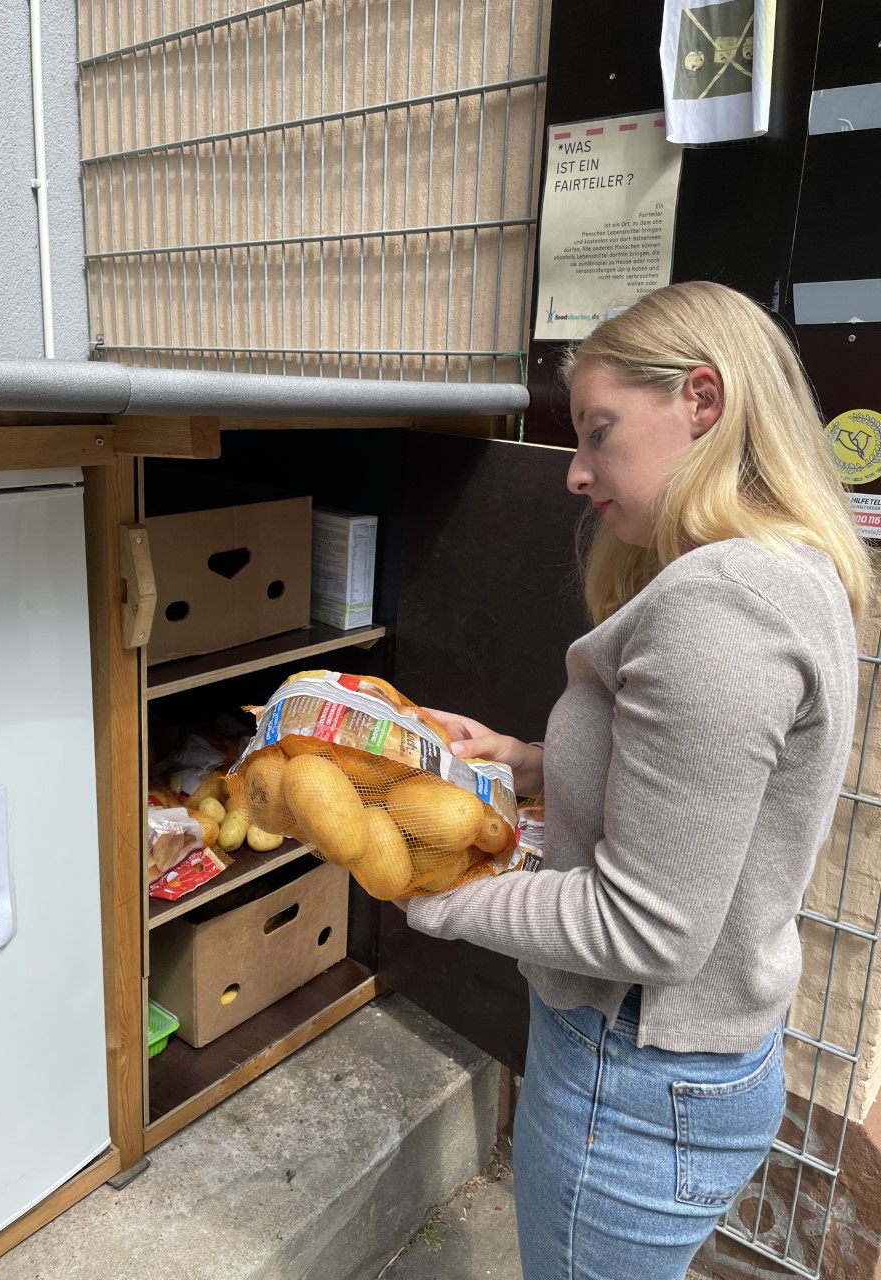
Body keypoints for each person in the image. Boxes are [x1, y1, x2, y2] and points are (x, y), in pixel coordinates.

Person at [402, 281, 871, 1280]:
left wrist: (434, 892)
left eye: (598, 432)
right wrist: (527, 762)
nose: (575, 473)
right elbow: (710, 804)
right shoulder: (784, 571)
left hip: (634, 1084)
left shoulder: (723, 606)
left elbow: (647, 926)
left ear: (701, 400)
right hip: (686, 1073)